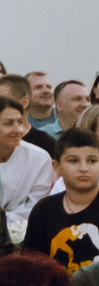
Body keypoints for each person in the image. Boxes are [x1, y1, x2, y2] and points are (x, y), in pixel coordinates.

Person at [21, 128, 99, 273]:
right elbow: (32, 266)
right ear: (57, 167)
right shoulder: (44, 209)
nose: (83, 168)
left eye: (92, 161)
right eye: (73, 161)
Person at [0, 94, 57, 223]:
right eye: (9, 123)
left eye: (20, 122)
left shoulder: (39, 158)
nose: (18, 129)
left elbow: (36, 206)